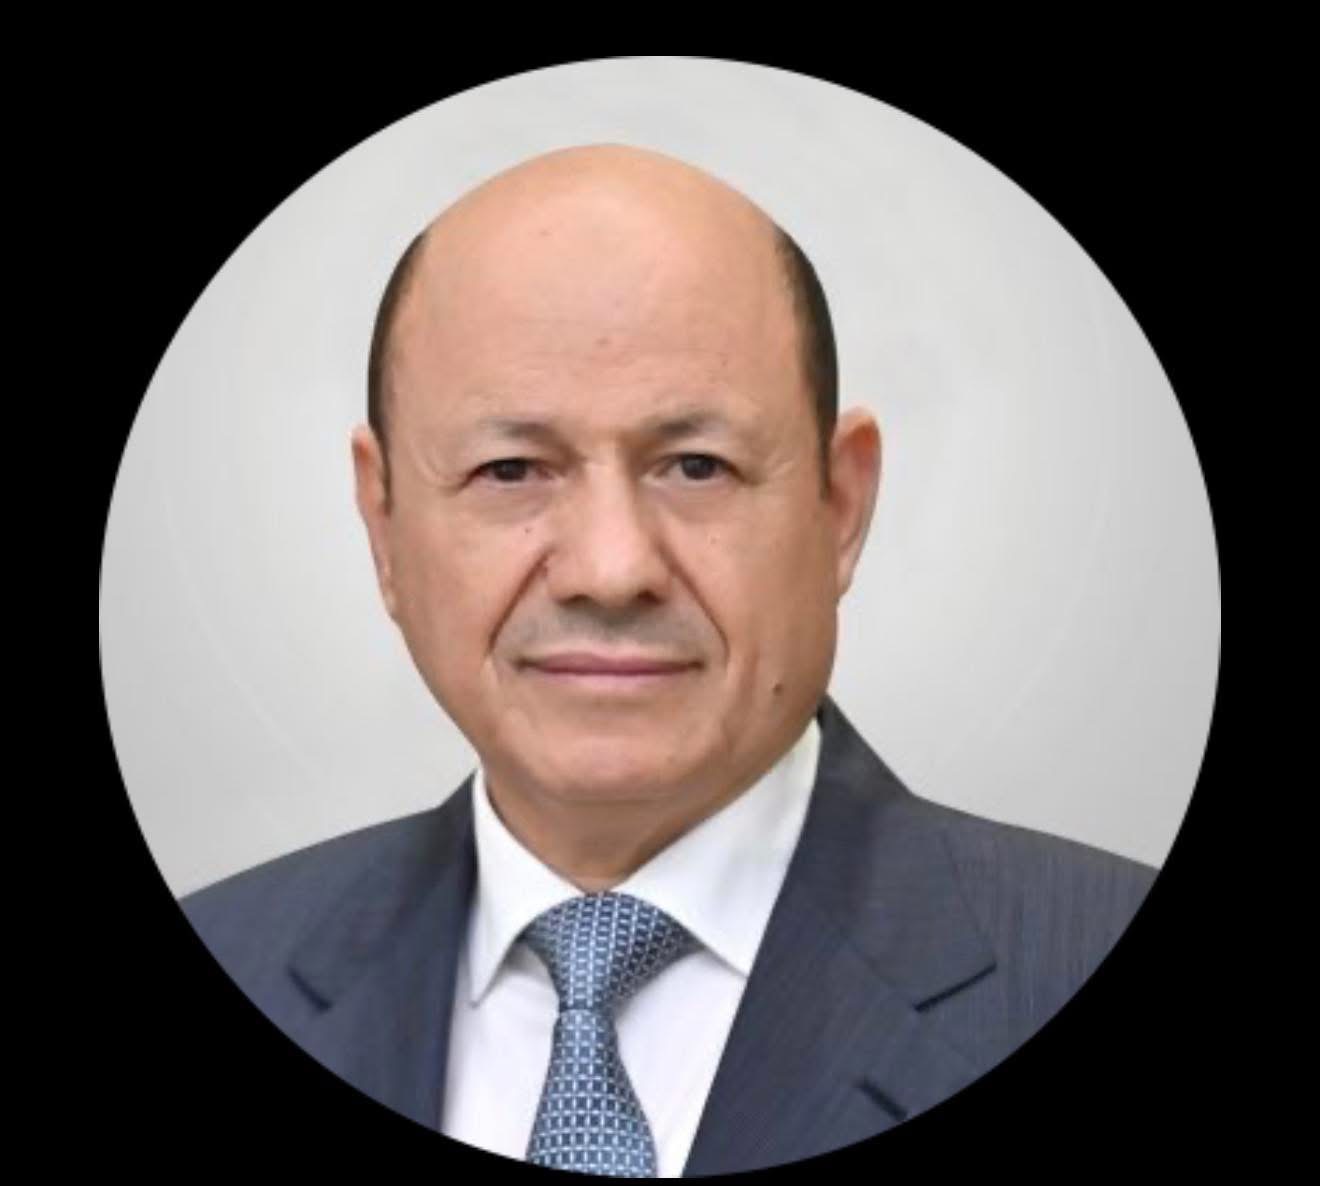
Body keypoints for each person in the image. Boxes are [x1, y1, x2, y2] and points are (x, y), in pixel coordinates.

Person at [180, 143, 1157, 1176]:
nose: (611, 570)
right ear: (383, 524)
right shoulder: (233, 956)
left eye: (696, 466)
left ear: (841, 508)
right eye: (510, 469)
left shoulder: (1075, 957)